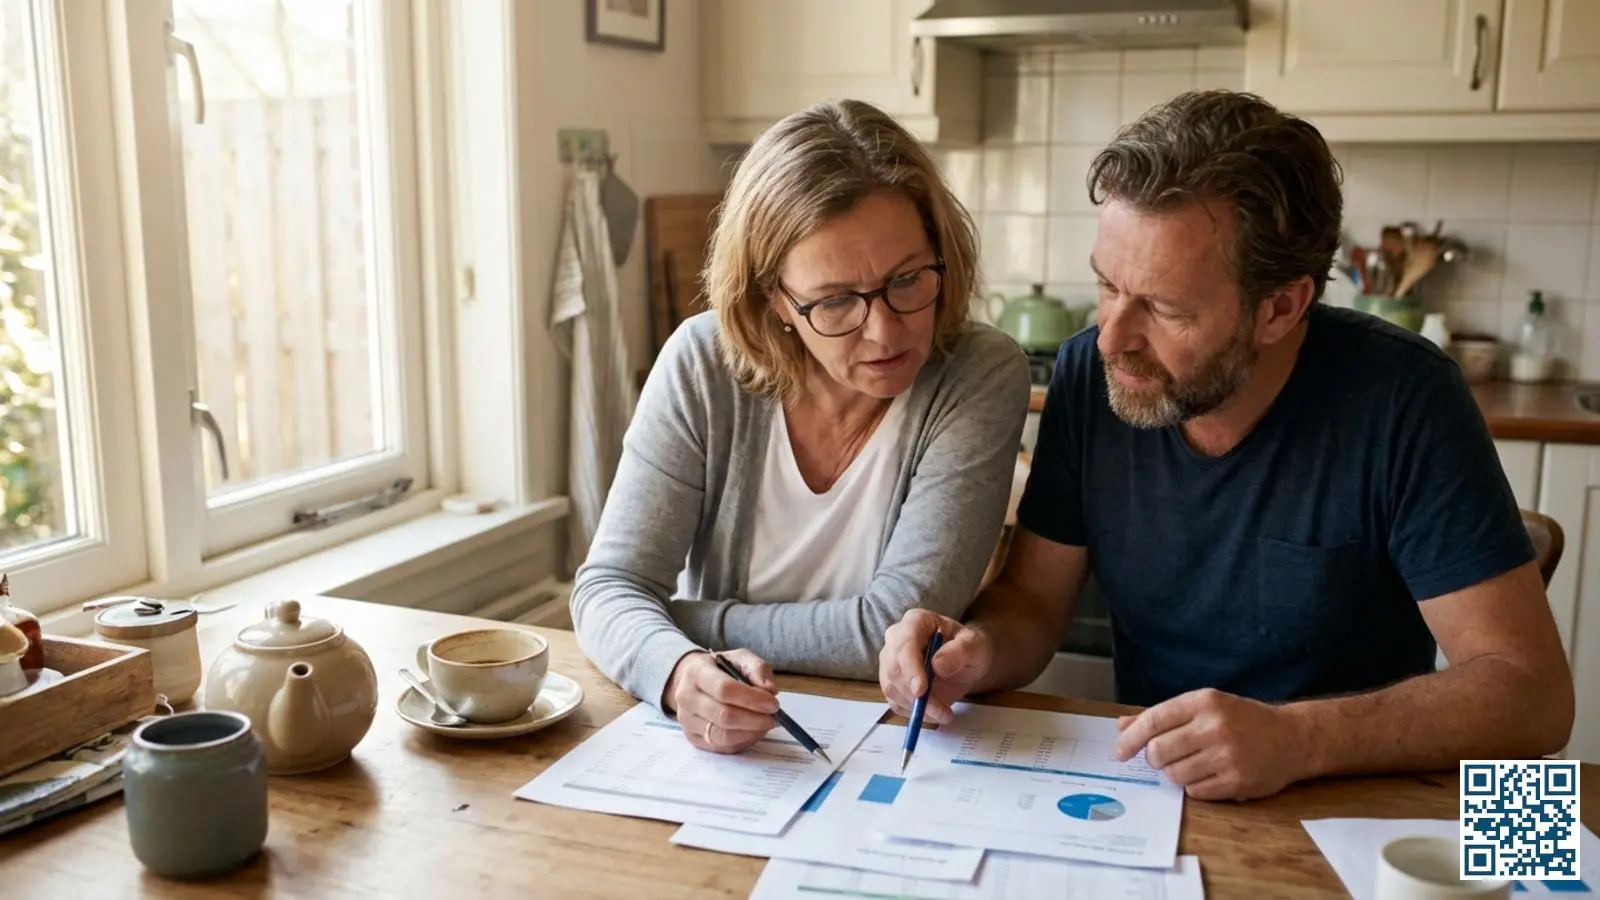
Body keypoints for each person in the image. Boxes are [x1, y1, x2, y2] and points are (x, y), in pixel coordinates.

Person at [878, 89, 1575, 802]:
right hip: (1154, 795)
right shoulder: (1092, 373)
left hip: (1356, 802)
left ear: (1281, 308)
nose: (1114, 336)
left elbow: (1533, 696)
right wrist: (979, 651)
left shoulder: (1406, 396)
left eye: (1164, 307)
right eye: (1107, 286)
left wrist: (1299, 738)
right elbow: (1032, 597)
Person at [572, 98, 1032, 756]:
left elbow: (889, 627)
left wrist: (679, 621)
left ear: (942, 255)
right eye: (837, 300)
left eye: (907, 280)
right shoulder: (702, 364)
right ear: (775, 301)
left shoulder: (978, 373)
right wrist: (677, 671)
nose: (885, 330)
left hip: (895, 746)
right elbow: (608, 587)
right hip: (729, 750)